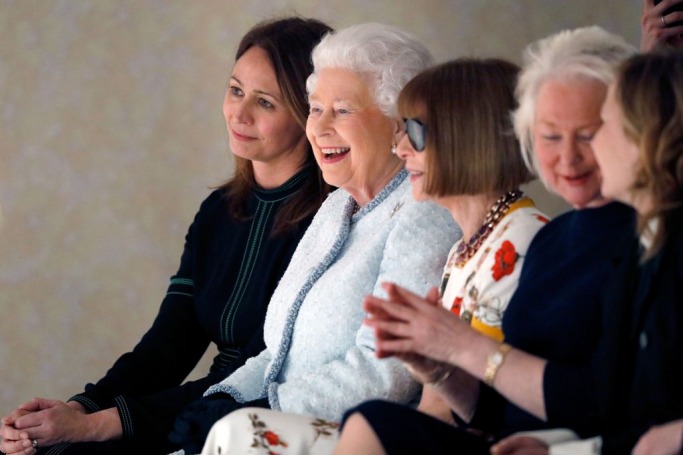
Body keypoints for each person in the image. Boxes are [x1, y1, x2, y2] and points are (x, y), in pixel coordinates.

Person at [0, 16, 334, 455]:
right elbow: (167, 345)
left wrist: (101, 424)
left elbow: (258, 372)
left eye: (265, 103)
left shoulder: (328, 222)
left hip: (248, 419)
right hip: (191, 409)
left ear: (307, 113)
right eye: (235, 90)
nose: (239, 112)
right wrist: (76, 410)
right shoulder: (217, 213)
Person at [196, 56, 549, 455]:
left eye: (413, 133)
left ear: (468, 137)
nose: (400, 148)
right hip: (421, 430)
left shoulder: (524, 240)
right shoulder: (467, 247)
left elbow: (521, 404)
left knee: (242, 433)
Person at [333, 26, 638, 454]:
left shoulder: (562, 236)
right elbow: (500, 409)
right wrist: (440, 369)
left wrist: (462, 349)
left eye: (587, 135)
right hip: (518, 440)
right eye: (550, 136)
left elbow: (609, 401)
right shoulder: (554, 240)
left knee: (369, 423)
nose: (567, 156)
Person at [167, 23, 460, 454]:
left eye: (342, 111)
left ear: (400, 123)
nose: (319, 127)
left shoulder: (426, 212)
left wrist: (266, 407)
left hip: (361, 436)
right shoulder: (337, 205)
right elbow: (278, 350)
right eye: (315, 108)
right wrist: (223, 397)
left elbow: (388, 370)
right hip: (274, 426)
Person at [495, 49, 683, 455]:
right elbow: (636, 417)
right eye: (551, 135)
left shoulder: (656, 246)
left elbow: (636, 417)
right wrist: (559, 449)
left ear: (649, 137)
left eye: (597, 129)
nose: (580, 151)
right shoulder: (638, 244)